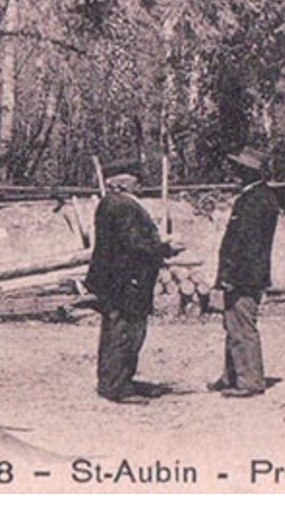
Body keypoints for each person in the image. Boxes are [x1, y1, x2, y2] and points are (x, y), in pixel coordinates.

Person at [85, 171, 179, 404]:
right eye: (135, 180)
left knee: (116, 330)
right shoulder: (123, 206)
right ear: (121, 183)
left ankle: (115, 380)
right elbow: (134, 244)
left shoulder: (111, 203)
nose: (140, 184)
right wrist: (165, 248)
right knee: (126, 332)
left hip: (117, 279)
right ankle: (118, 387)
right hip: (127, 280)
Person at [210, 147, 279, 398]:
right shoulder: (261, 197)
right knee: (233, 326)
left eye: (239, 170)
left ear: (250, 173)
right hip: (247, 274)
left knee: (242, 328)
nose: (234, 174)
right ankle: (232, 375)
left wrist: (230, 277)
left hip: (244, 276)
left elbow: (245, 246)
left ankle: (249, 381)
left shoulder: (253, 201)